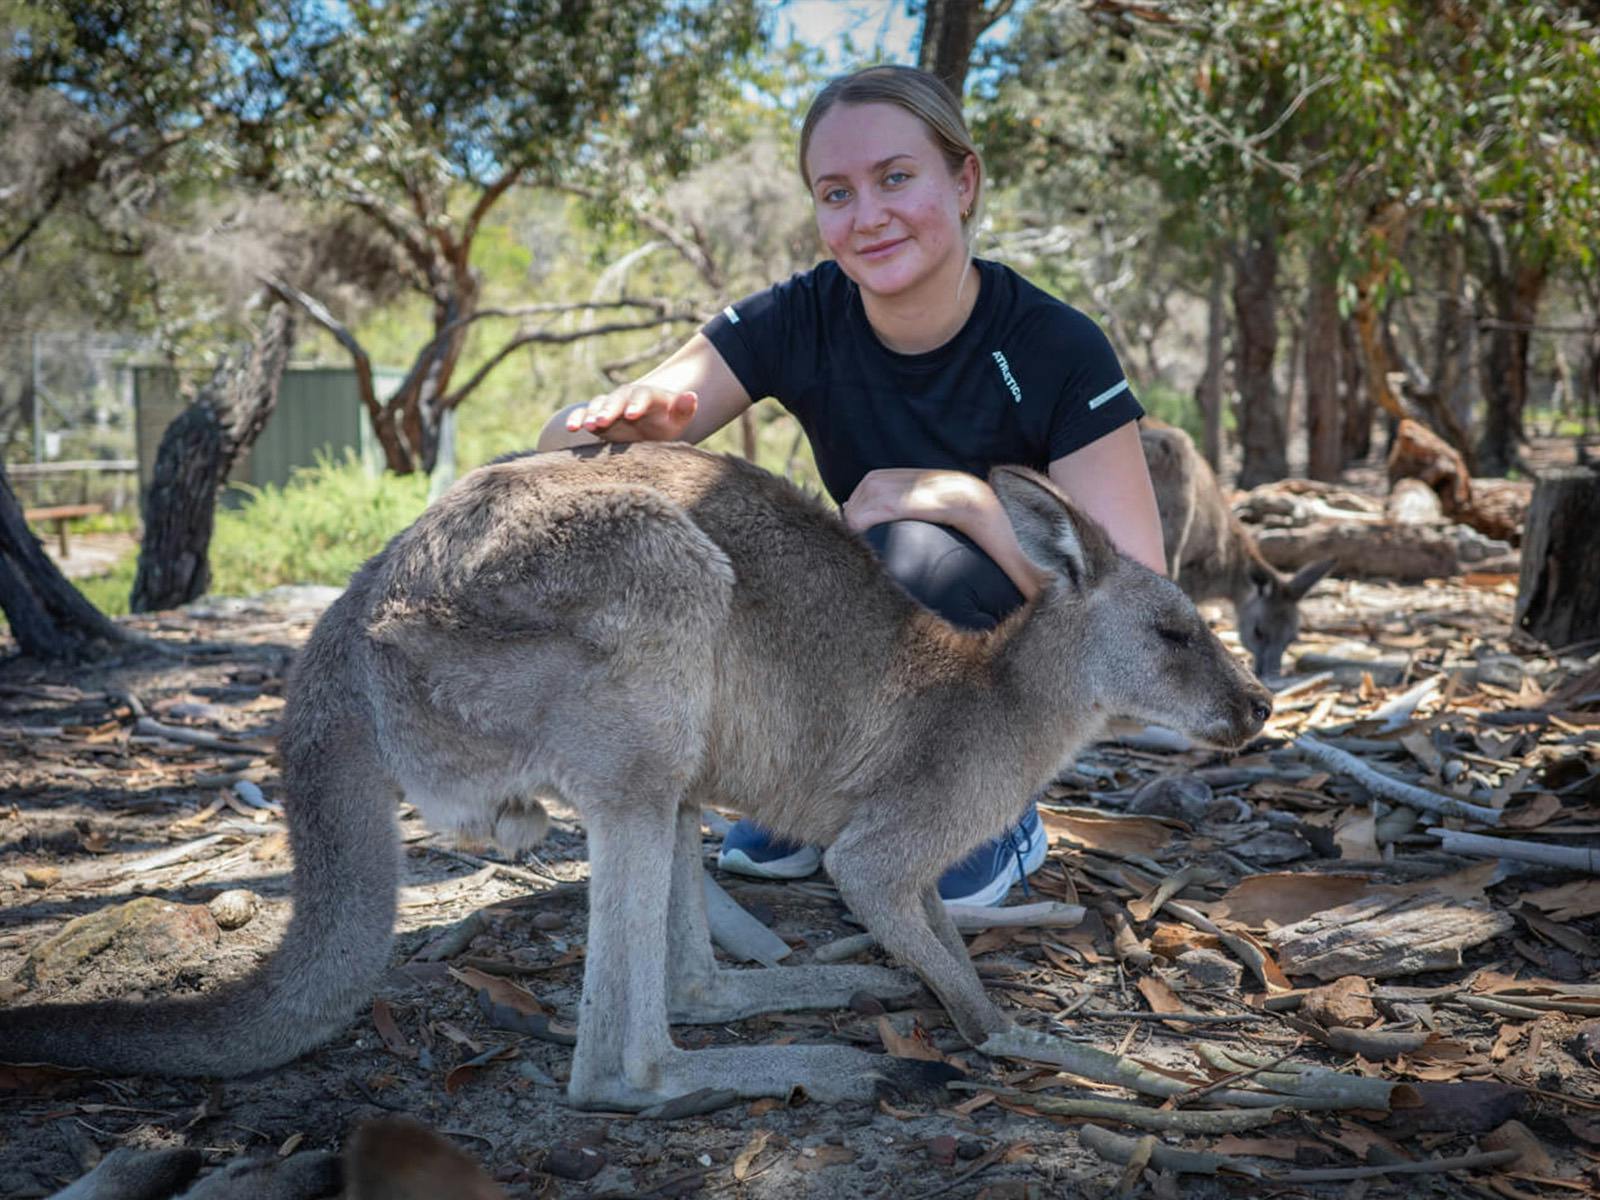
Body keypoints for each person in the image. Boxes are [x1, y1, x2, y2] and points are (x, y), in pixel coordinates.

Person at [537, 64, 1165, 906]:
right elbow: (563, 459)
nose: (868, 217)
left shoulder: (1055, 347)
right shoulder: (800, 316)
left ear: (965, 179)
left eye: (896, 178)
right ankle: (819, 803)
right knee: (724, 534)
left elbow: (1140, 612)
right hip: (849, 676)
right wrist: (620, 424)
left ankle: (989, 820)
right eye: (836, 193)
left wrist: (969, 503)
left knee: (918, 552)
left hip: (997, 702)